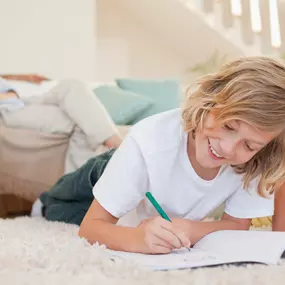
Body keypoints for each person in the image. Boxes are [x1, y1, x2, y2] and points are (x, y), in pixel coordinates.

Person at [38, 56, 285, 255]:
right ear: (209, 101)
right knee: (58, 209)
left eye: (249, 146)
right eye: (229, 126)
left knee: (121, 220)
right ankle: (45, 201)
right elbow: (90, 229)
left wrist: (187, 228)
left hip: (145, 206)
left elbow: (237, 226)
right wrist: (137, 239)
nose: (229, 149)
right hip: (104, 171)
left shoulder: (257, 160)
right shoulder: (149, 140)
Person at [0, 75, 122, 173]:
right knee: (79, 118)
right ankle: (118, 145)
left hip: (26, 98)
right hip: (9, 109)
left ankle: (114, 141)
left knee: (72, 85)